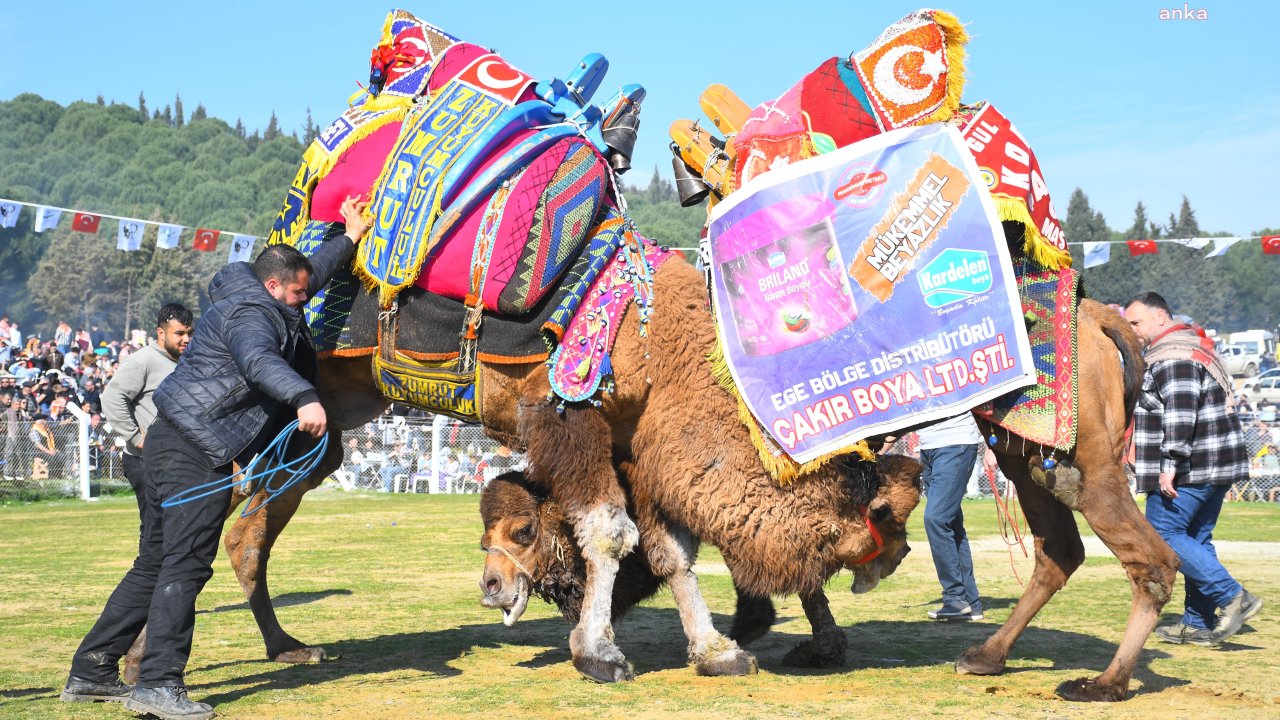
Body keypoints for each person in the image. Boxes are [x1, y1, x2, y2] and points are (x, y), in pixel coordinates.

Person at [63, 196, 370, 720]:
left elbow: (308, 273)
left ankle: (91, 670)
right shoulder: (252, 314)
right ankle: (158, 683)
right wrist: (304, 397)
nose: (304, 300)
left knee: (153, 563)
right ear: (274, 287)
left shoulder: (263, 290)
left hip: (168, 440)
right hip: (194, 450)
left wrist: (351, 235)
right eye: (297, 296)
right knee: (184, 564)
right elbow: (258, 360)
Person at [1125, 292, 1264, 647]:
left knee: (1162, 534)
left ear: (1160, 318)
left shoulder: (1173, 356)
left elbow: (1181, 413)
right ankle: (1197, 623)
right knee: (1197, 539)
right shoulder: (1188, 347)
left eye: (1136, 322)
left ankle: (1233, 598)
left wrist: (1169, 465)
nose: (1132, 330)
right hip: (1212, 463)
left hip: (1192, 466)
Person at [100, 304, 193, 516]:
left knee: (175, 527)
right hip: (145, 461)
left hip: (176, 461)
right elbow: (112, 399)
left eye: (189, 333)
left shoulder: (187, 361)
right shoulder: (143, 360)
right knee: (156, 531)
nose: (186, 339)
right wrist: (136, 437)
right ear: (161, 333)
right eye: (179, 333)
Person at [915, 413, 993, 622]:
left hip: (956, 443)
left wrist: (992, 447)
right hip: (927, 448)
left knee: (936, 519)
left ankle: (954, 597)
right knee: (952, 526)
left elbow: (984, 402)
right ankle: (970, 602)